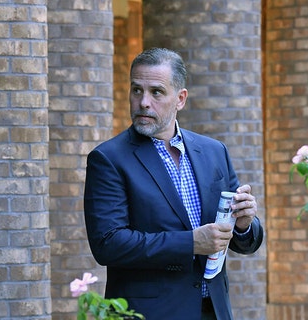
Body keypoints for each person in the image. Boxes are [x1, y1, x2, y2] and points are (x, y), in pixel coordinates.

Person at [83, 47, 264, 320]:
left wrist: (243, 224)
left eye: (156, 92)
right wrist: (190, 243)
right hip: (150, 313)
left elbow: (243, 243)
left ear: (180, 99)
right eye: (136, 90)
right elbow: (109, 244)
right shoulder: (108, 159)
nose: (144, 102)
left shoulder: (214, 151)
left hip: (213, 311)